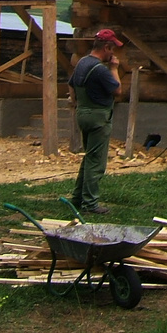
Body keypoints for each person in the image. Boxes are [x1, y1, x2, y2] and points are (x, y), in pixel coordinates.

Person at [69, 28, 123, 214]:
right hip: (99, 117)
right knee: (96, 162)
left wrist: (77, 104)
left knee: (89, 157)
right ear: (106, 47)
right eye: (112, 49)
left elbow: (71, 85)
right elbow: (117, 91)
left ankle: (77, 197)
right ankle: (90, 204)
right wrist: (115, 69)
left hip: (82, 113)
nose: (113, 53)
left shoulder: (82, 62)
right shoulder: (100, 69)